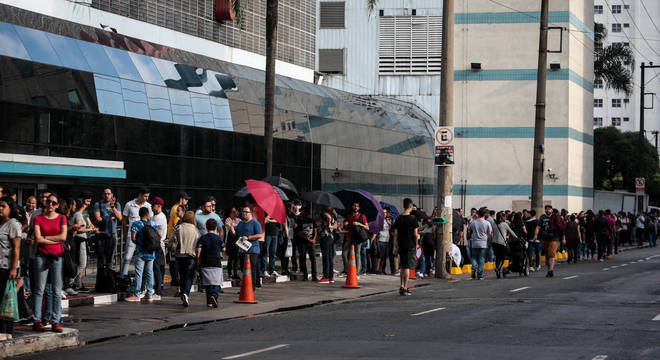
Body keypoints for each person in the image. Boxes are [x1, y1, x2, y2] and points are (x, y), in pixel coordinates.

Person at [32, 193, 67, 332]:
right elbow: (38, 239)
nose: (50, 204)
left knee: (57, 291)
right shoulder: (38, 218)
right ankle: (37, 320)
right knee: (39, 289)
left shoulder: (62, 218)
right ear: (45, 203)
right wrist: (53, 238)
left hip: (57, 256)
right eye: (48, 202)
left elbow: (63, 237)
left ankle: (55, 321)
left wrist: (45, 237)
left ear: (57, 205)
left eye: (53, 202)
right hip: (42, 255)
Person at [124, 207, 159, 302]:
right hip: (151, 252)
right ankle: (149, 294)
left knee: (139, 273)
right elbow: (159, 235)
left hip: (141, 252)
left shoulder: (136, 224)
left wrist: (140, 243)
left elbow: (133, 238)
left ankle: (137, 294)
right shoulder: (152, 224)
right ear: (147, 214)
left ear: (139, 214)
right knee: (149, 272)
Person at [0, 197, 22, 340]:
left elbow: (16, 248)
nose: (0, 208)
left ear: (10, 208)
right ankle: (5, 331)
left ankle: (5, 331)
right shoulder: (0, 224)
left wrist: (13, 269)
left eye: (3, 206)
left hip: (7, 268)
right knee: (3, 299)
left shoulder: (13, 224)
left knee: (6, 300)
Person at [169, 211, 199, 306]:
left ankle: (183, 293)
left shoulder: (179, 227)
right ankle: (186, 293)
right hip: (191, 256)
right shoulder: (195, 230)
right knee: (189, 276)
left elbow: (171, 240)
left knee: (182, 276)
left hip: (179, 256)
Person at [228, 206, 263, 290]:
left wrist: (248, 237)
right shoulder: (241, 223)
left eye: (246, 212)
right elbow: (235, 234)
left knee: (252, 269)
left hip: (252, 249)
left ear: (251, 213)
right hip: (242, 250)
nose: (244, 213)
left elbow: (259, 235)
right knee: (244, 270)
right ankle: (245, 287)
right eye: (243, 211)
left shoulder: (255, 223)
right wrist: (231, 227)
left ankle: (252, 287)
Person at [121, 187, 152, 277]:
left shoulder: (148, 206)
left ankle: (141, 278)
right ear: (140, 195)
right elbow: (124, 220)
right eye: (145, 196)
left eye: (148, 196)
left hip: (144, 236)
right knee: (127, 257)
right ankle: (124, 276)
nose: (147, 198)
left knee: (143, 258)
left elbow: (150, 220)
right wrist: (124, 234)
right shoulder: (129, 204)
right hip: (132, 234)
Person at [196, 218, 225, 308]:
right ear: (216, 227)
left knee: (207, 283)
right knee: (216, 282)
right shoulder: (218, 238)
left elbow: (198, 251)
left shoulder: (202, 238)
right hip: (216, 262)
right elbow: (223, 249)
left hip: (205, 262)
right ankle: (214, 296)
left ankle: (209, 301)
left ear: (206, 227)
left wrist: (198, 260)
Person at [392, 198, 418, 295]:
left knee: (402, 266)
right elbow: (415, 234)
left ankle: (402, 286)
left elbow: (395, 234)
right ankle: (405, 288)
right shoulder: (412, 219)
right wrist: (416, 243)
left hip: (401, 244)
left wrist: (395, 246)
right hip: (410, 244)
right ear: (411, 206)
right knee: (407, 267)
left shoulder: (398, 218)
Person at [93, 188, 122, 274]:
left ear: (112, 195)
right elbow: (98, 218)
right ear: (102, 195)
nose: (107, 195)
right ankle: (100, 281)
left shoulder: (116, 204)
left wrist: (112, 207)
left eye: (109, 194)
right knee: (101, 259)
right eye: (105, 194)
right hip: (101, 234)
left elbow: (120, 218)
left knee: (110, 259)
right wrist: (111, 218)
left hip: (112, 234)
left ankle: (109, 280)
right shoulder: (98, 204)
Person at [71, 198, 96, 291]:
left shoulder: (79, 214)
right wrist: (90, 229)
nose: (87, 205)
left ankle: (77, 283)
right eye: (85, 204)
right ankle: (70, 282)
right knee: (82, 263)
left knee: (80, 263)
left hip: (81, 240)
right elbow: (79, 229)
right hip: (80, 240)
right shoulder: (78, 215)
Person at [343, 202, 369, 275]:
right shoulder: (349, 216)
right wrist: (345, 224)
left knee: (357, 254)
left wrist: (359, 224)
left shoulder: (362, 216)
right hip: (349, 236)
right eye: (354, 206)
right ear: (352, 207)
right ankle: (347, 270)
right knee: (344, 254)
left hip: (358, 238)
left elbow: (367, 227)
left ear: (359, 208)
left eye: (357, 206)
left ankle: (356, 272)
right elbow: (345, 225)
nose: (356, 207)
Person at [467, 207, 492, 280]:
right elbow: (490, 234)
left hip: (474, 243)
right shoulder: (487, 223)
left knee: (474, 257)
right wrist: (490, 242)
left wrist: (471, 236)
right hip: (483, 243)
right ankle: (479, 275)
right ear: (484, 214)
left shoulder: (473, 222)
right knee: (481, 259)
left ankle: (474, 268)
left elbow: (469, 232)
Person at [535, 205, 560, 277]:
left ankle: (551, 270)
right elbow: (538, 227)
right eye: (546, 209)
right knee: (547, 255)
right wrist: (536, 235)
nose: (547, 210)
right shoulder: (542, 217)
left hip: (554, 238)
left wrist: (563, 237)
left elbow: (560, 227)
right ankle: (549, 270)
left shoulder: (555, 217)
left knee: (551, 254)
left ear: (552, 210)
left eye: (549, 209)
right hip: (544, 238)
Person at [150, 196, 168, 300]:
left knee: (156, 268)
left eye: (154, 205)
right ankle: (157, 288)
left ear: (159, 205)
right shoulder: (155, 216)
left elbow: (152, 230)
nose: (152, 207)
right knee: (157, 268)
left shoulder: (160, 217)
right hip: (156, 244)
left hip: (157, 245)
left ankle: (158, 291)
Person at [493, 211, 518, 279]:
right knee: (503, 257)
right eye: (504, 216)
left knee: (497, 257)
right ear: (502, 217)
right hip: (502, 243)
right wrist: (517, 237)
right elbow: (511, 232)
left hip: (494, 243)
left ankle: (497, 270)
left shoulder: (494, 224)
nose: (506, 217)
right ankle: (498, 268)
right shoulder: (504, 224)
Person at [296, 207, 318, 282]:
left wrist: (314, 239)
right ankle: (305, 275)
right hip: (302, 242)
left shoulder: (312, 220)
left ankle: (314, 275)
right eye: (304, 212)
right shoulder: (300, 220)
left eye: (307, 213)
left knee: (313, 258)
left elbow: (315, 230)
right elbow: (299, 232)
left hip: (311, 242)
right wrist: (308, 239)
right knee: (303, 258)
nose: (306, 214)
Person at [318, 206, 336, 283]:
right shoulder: (334, 215)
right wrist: (331, 226)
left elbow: (328, 218)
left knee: (326, 257)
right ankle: (331, 277)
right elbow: (336, 226)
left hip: (325, 237)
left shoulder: (325, 213)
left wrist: (328, 223)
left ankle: (326, 276)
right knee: (329, 257)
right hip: (331, 237)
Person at [261, 213, 281, 278]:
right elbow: (264, 220)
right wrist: (268, 216)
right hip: (267, 234)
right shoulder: (265, 212)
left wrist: (269, 220)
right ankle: (264, 270)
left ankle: (272, 270)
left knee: (273, 253)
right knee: (265, 252)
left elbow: (278, 220)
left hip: (275, 234)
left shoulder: (275, 212)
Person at [223, 207, 241, 280]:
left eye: (236, 211)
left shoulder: (239, 220)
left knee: (237, 258)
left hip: (238, 241)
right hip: (230, 241)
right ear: (230, 213)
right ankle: (230, 274)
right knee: (231, 258)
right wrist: (231, 227)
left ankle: (236, 273)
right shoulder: (228, 220)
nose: (235, 213)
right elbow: (231, 232)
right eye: (233, 212)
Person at [376, 208, 392, 274]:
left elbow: (388, 229)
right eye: (383, 212)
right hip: (381, 239)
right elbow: (380, 228)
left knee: (384, 257)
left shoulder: (386, 220)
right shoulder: (380, 220)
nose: (384, 214)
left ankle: (381, 270)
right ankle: (377, 269)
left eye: (385, 212)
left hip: (386, 240)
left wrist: (390, 224)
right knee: (380, 256)